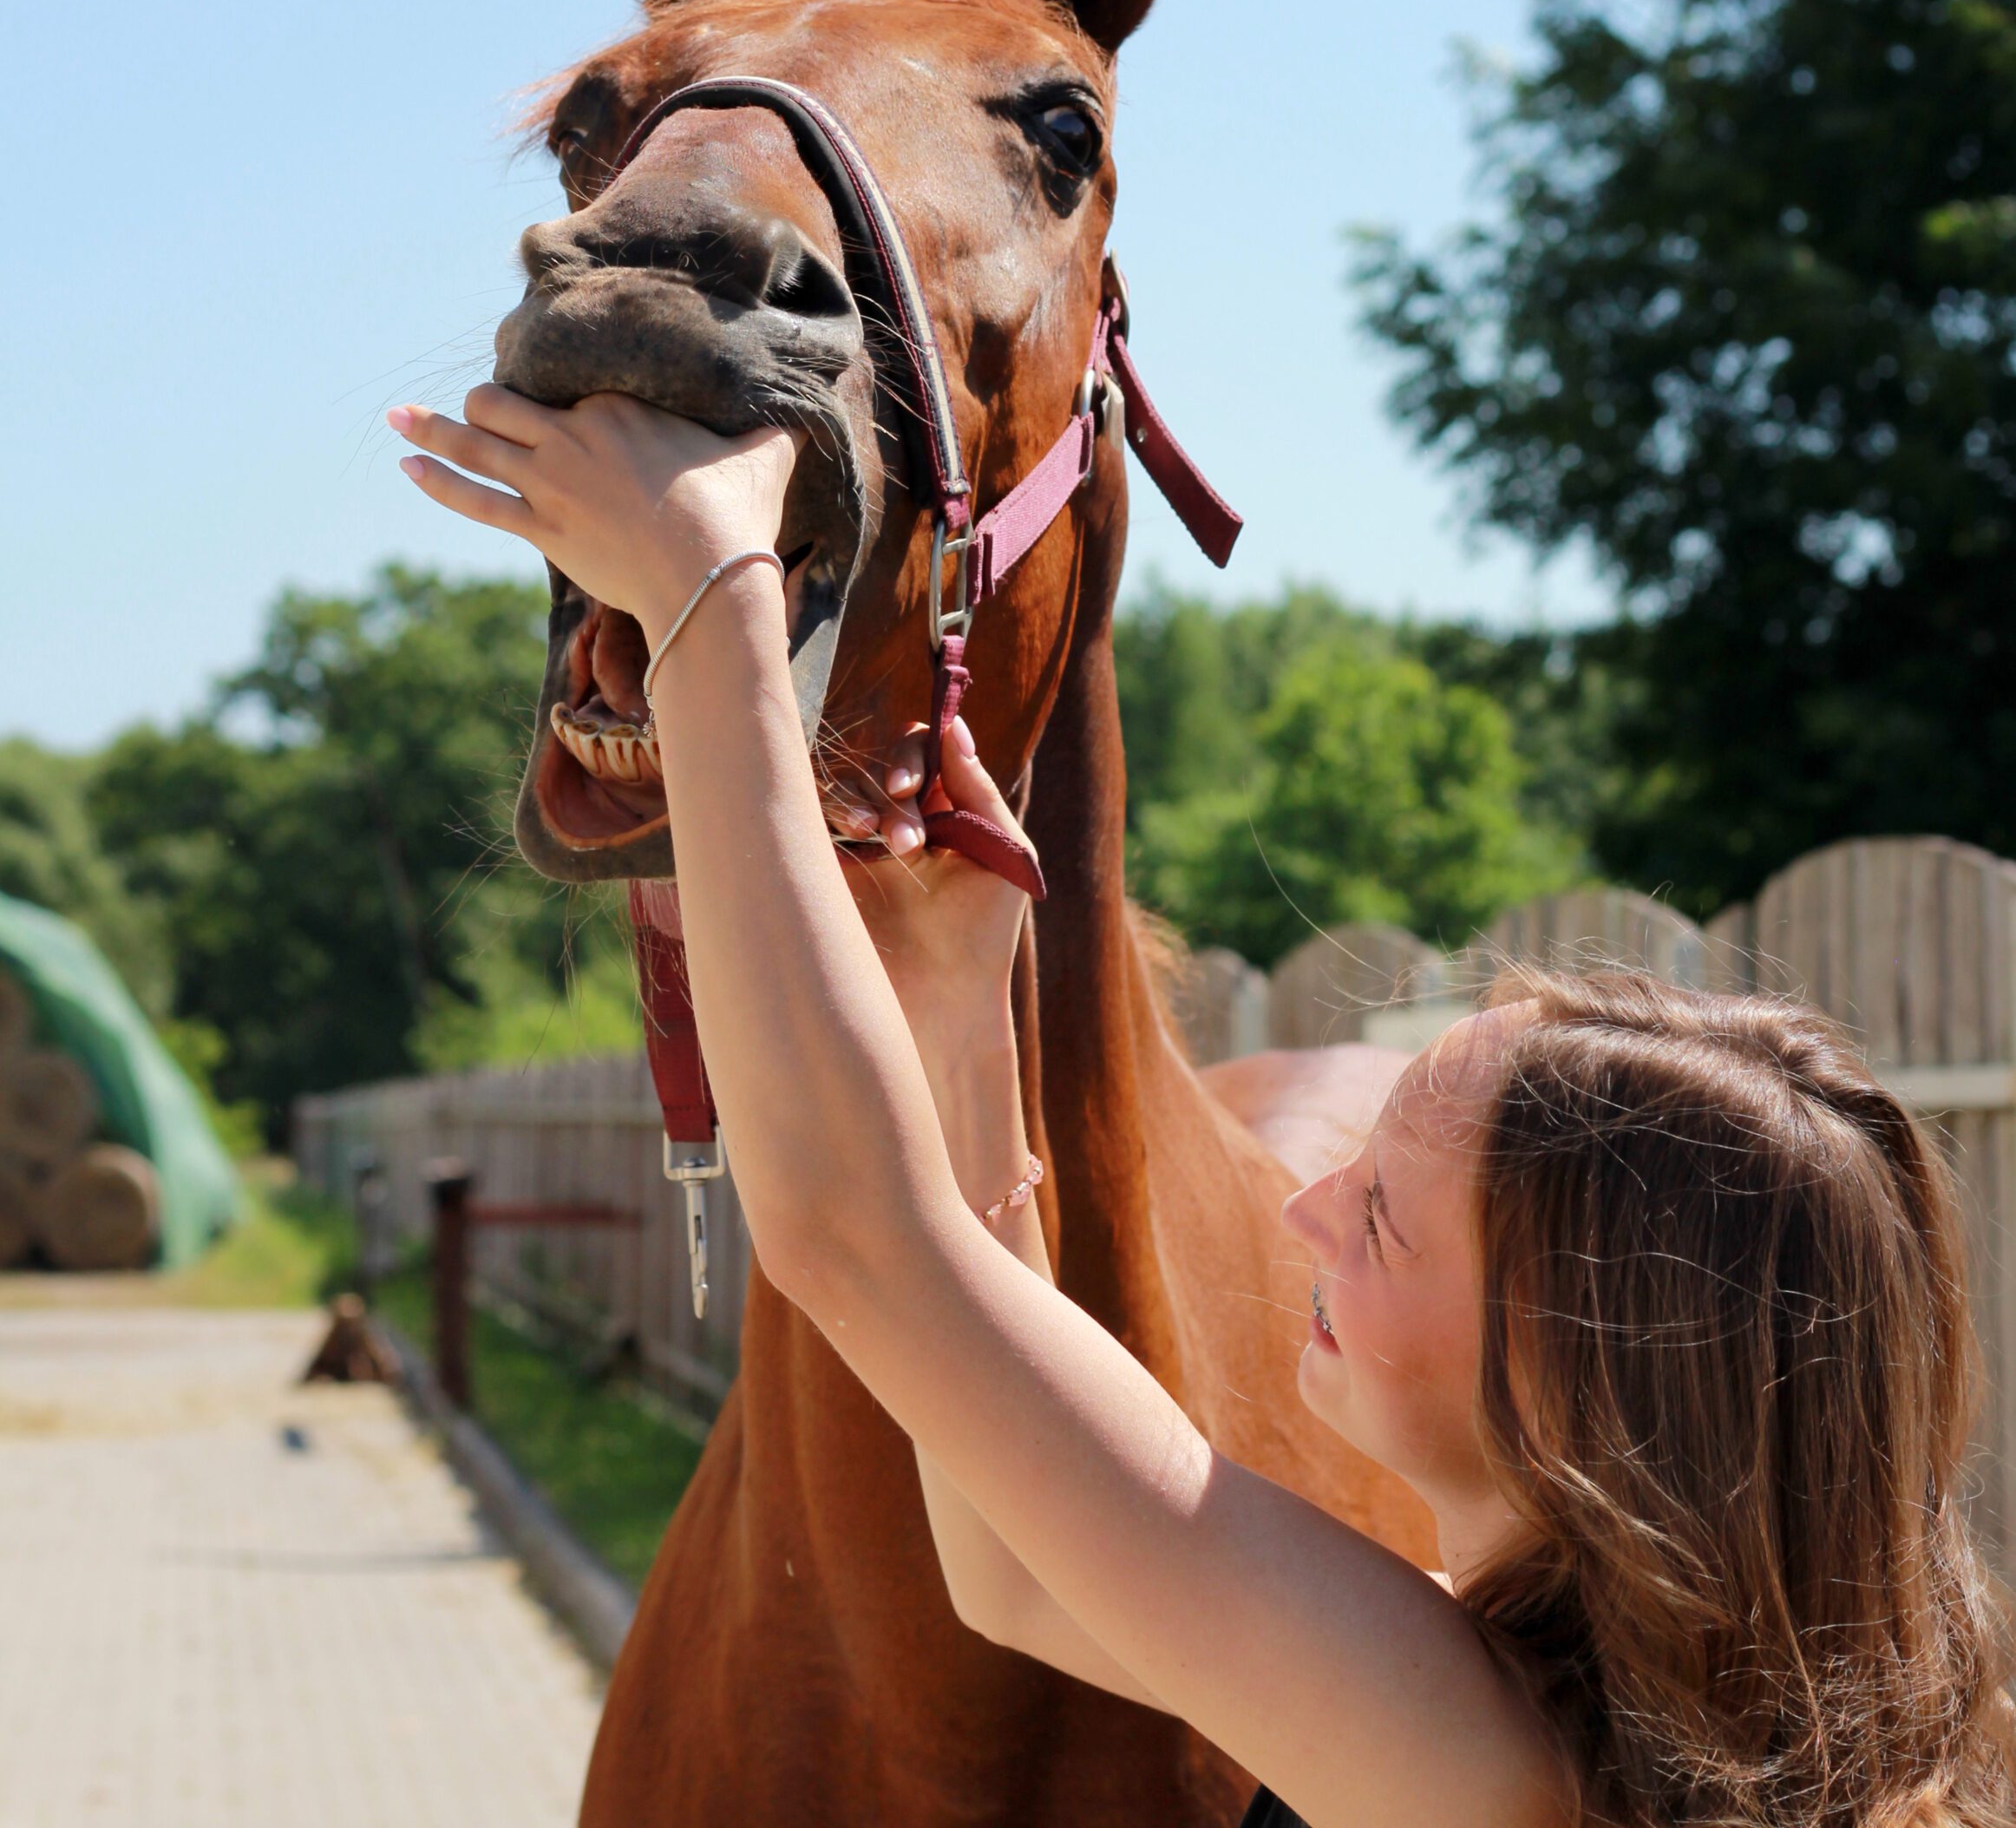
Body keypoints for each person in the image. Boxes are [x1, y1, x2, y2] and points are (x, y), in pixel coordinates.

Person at [390, 387, 2015, 1828]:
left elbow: (849, 1238)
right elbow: (1019, 1577)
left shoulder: (1481, 1760)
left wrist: (709, 602)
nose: (1305, 1206)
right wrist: (963, 1016)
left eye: (1380, 1217)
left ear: (1570, 1374)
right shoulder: (1555, 1714)